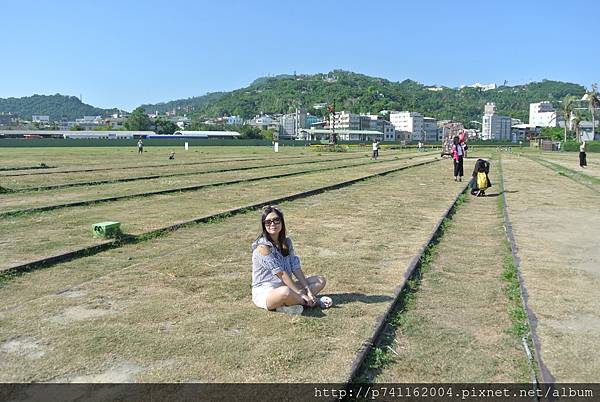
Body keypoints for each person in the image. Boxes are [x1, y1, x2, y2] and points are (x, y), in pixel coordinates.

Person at [251, 206, 329, 314]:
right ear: (264, 226)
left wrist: (308, 290)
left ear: (282, 222)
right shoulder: (263, 247)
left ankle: (293, 303)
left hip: (286, 285)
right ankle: (309, 302)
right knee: (285, 292)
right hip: (267, 291)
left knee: (320, 280)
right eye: (268, 222)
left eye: (276, 220)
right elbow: (281, 274)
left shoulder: (286, 242)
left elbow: (295, 267)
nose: (272, 224)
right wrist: (301, 294)